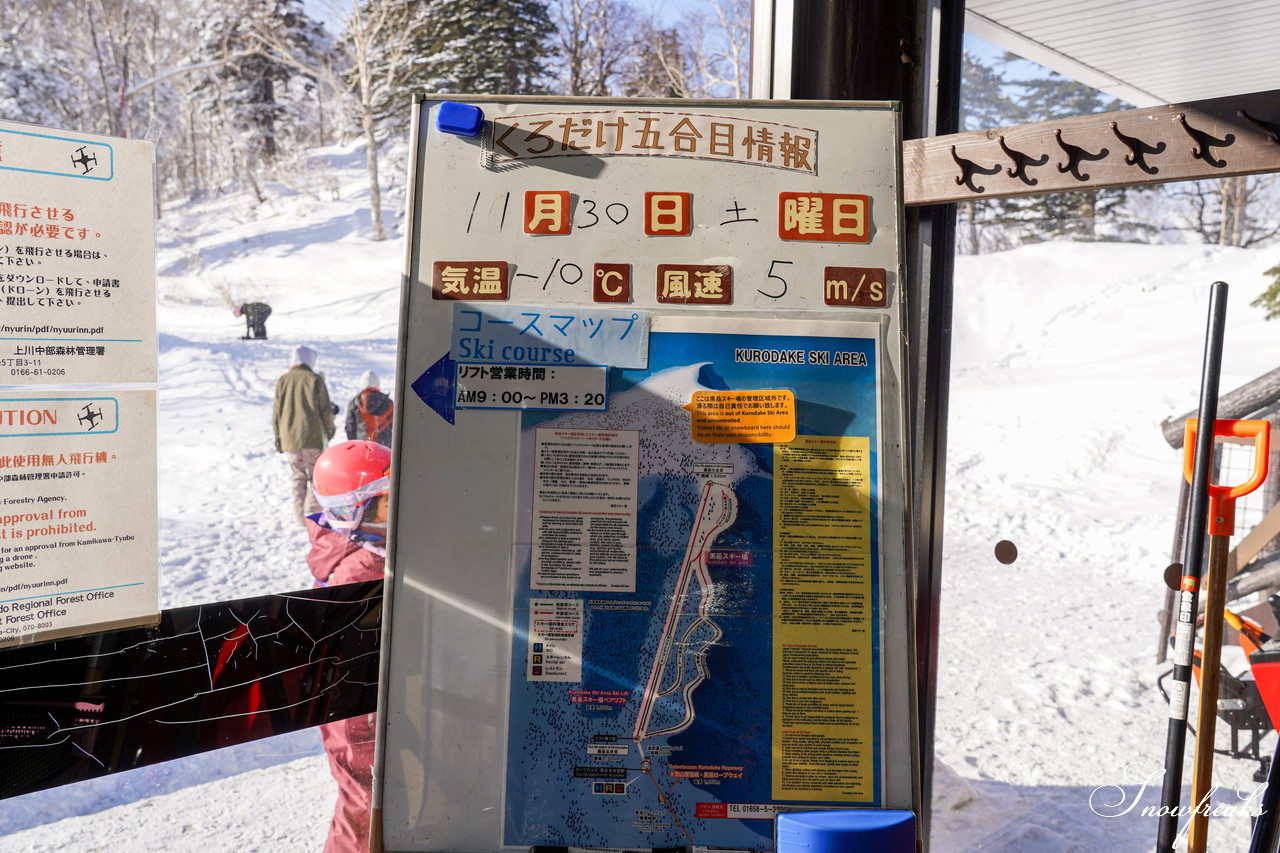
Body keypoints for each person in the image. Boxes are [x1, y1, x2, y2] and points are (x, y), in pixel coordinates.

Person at [306, 440, 390, 853]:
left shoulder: (375, 551)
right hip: (356, 713)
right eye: (389, 501)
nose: (402, 506)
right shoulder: (359, 571)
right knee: (367, 807)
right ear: (354, 510)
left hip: (365, 700)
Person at [273, 345, 336, 526]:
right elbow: (325, 410)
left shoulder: (283, 380)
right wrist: (329, 431)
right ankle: (313, 513)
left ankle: (300, 516)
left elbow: (277, 413)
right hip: (313, 436)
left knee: (298, 476)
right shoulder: (314, 379)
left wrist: (279, 438)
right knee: (317, 476)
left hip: (289, 438)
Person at [344, 370, 394, 446]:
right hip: (384, 450)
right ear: (377, 384)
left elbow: (350, 428)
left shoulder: (355, 403)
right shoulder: (389, 403)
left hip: (362, 448)